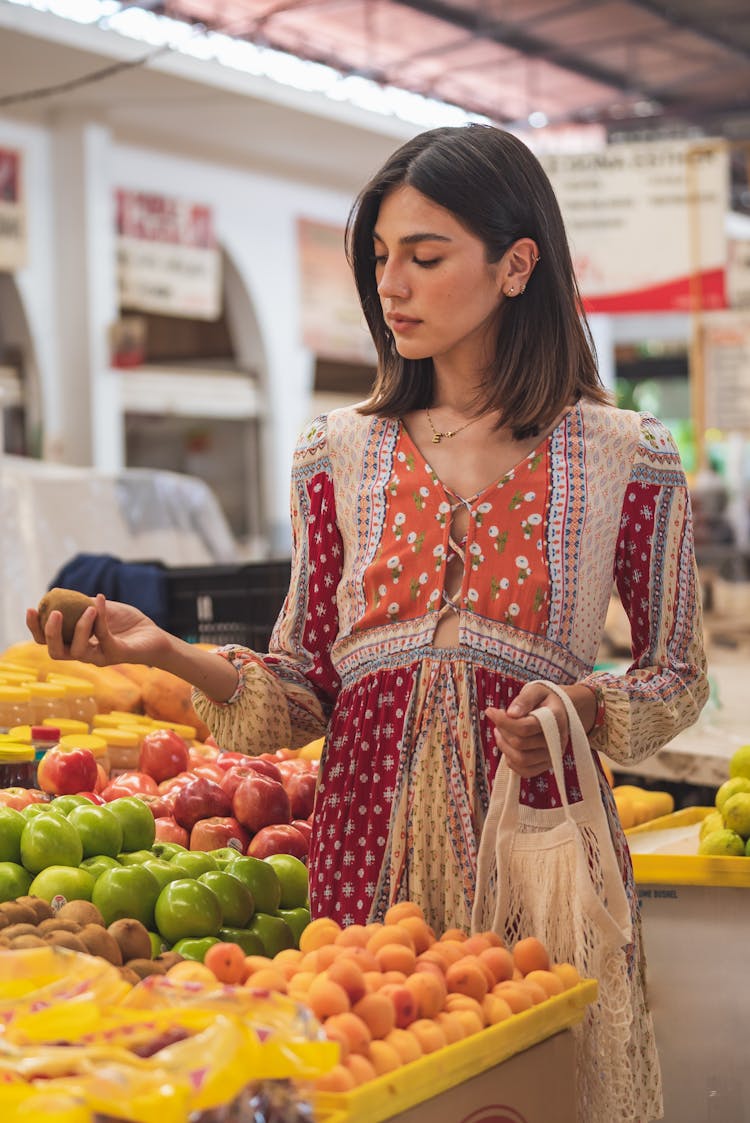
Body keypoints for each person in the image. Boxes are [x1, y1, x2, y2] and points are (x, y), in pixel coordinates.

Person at [28, 124, 707, 1122]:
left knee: (535, 1089)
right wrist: (167, 652)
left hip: (536, 848)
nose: (392, 284)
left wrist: (584, 708)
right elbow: (304, 689)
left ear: (517, 265)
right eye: (380, 258)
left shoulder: (624, 455)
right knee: (369, 1071)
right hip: (359, 851)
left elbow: (678, 672)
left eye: (425, 257)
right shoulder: (334, 454)